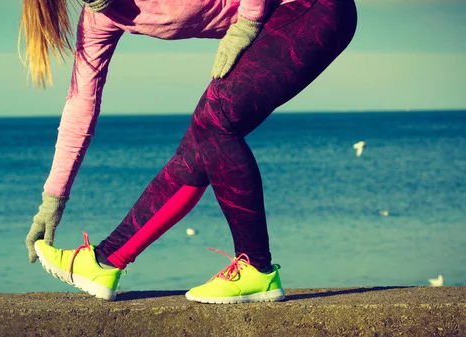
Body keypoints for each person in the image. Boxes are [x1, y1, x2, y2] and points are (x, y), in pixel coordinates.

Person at [22, 0, 357, 303]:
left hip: (314, 9)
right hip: (286, 23)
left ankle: (257, 268)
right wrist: (52, 200)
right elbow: (80, 106)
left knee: (214, 122)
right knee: (198, 148)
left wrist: (248, 22)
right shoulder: (99, 19)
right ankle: (104, 262)